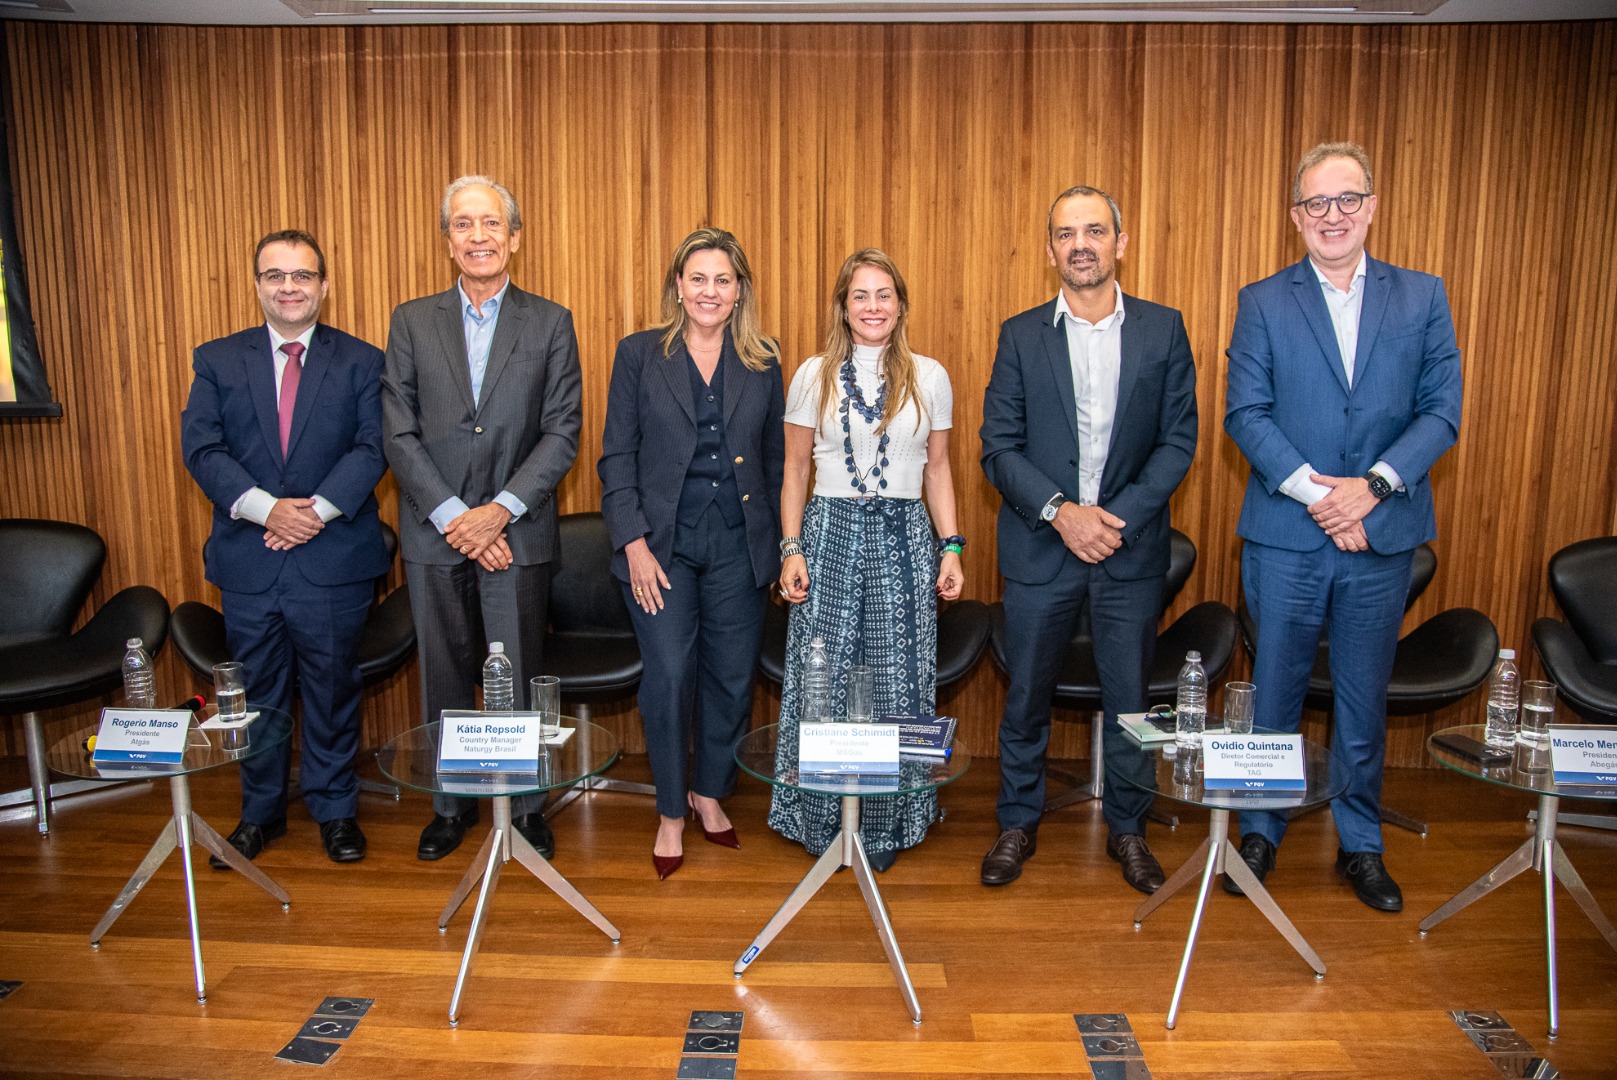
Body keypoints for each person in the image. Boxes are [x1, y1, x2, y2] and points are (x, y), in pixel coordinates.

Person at [1224, 141, 1462, 913]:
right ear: (1296, 217)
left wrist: (1373, 489)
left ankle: (1360, 844)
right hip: (1287, 535)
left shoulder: (1422, 297)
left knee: (1362, 699)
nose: (1332, 216)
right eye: (1316, 204)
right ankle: (1258, 830)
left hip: (1381, 534)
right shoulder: (1262, 300)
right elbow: (1245, 415)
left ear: (1370, 207)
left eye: (1346, 200)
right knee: (1274, 696)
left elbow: (1440, 413)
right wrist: (1321, 499)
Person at [979, 187, 1198, 892]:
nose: (1081, 244)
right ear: (1050, 251)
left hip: (1127, 552)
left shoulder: (1164, 331)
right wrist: (1060, 512)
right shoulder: (1019, 335)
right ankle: (1017, 822)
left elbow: (1177, 442)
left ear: (1119, 242)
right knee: (1025, 698)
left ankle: (1129, 832)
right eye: (1066, 234)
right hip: (1042, 549)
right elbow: (997, 447)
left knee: (1131, 705)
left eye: (1094, 230)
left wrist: (1112, 518)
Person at [382, 175, 583, 862]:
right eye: (463, 225)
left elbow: (561, 433)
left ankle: (525, 807)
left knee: (517, 673)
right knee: (443, 674)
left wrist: (494, 514)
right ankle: (451, 806)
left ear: (514, 238)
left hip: (514, 534)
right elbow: (398, 434)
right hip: (435, 536)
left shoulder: (550, 321)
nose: (477, 237)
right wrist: (454, 519)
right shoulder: (410, 321)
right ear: (447, 240)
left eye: (490, 224)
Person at [181, 229, 388, 866]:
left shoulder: (362, 360)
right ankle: (260, 816)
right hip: (251, 557)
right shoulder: (217, 360)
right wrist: (268, 509)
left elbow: (372, 449)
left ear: (324, 286)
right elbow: (203, 450)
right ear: (258, 285)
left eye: (302, 275)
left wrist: (313, 514)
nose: (289, 287)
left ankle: (335, 812)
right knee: (257, 696)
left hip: (333, 559)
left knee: (330, 689)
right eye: (275, 275)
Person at [766, 248, 965, 873]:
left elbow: (937, 468)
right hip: (827, 530)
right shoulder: (812, 374)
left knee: (896, 674)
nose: (873, 306)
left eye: (884, 295)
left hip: (905, 533)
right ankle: (820, 819)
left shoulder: (929, 376)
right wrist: (791, 547)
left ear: (900, 304)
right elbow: (796, 468)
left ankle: (889, 820)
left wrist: (951, 545)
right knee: (822, 674)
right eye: (861, 295)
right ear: (843, 307)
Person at [598, 227, 785, 880]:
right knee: (671, 675)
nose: (710, 291)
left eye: (723, 280)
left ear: (740, 292)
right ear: (678, 285)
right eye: (698, 278)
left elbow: (775, 460)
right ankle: (671, 809)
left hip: (740, 545)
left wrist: (782, 544)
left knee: (732, 677)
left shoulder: (764, 359)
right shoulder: (638, 355)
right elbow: (615, 455)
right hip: (660, 548)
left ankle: (711, 792)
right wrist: (632, 542)